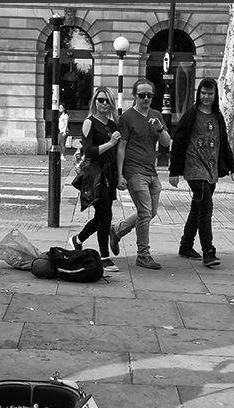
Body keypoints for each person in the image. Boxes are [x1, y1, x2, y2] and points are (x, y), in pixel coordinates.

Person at [169, 77, 234, 268]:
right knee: (206, 208)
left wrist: (232, 168)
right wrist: (174, 171)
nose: (206, 96)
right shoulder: (190, 115)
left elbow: (224, 144)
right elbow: (179, 142)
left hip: (212, 170)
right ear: (198, 94)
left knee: (197, 208)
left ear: (215, 95)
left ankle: (186, 245)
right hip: (194, 169)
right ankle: (208, 250)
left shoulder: (218, 117)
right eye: (203, 93)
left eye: (210, 93)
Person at [109, 78, 172, 270]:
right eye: (142, 95)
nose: (146, 98)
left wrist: (159, 128)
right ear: (134, 95)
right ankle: (143, 255)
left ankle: (117, 230)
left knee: (150, 212)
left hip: (151, 171)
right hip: (134, 171)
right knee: (145, 213)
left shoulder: (156, 115)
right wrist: (120, 175)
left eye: (149, 95)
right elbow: (121, 147)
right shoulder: (127, 118)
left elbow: (166, 143)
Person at [67, 87, 122, 273]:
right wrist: (110, 143)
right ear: (94, 102)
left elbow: (117, 152)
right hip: (95, 175)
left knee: (102, 216)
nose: (104, 104)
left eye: (107, 101)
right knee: (105, 215)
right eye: (100, 100)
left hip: (109, 174)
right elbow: (89, 151)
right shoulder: (89, 122)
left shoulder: (113, 125)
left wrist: (120, 175)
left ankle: (78, 239)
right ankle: (104, 257)